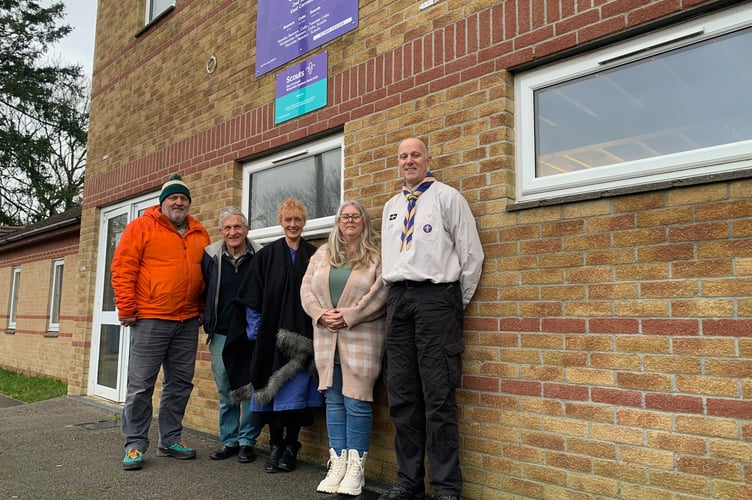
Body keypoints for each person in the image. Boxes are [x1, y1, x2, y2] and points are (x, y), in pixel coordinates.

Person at [379, 138, 484, 500]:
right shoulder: (392, 206)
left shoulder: (447, 198)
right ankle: (408, 482)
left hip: (436, 299)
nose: (409, 161)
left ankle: (445, 488)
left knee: (438, 396)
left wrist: (453, 304)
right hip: (398, 301)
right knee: (403, 395)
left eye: (415, 155)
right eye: (403, 156)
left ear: (428, 159)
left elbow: (471, 257)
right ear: (398, 162)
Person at [111, 173, 211, 471]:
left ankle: (170, 440)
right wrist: (126, 307)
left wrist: (202, 308)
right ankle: (134, 445)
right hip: (151, 317)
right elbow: (122, 267)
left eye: (183, 198)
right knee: (141, 385)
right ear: (163, 202)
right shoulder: (141, 227)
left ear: (188, 203)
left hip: (187, 320)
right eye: (173, 198)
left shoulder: (199, 233)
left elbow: (206, 275)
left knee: (179, 384)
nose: (178, 202)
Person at [224, 198, 323, 474]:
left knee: (296, 396)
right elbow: (251, 297)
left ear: (304, 223)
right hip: (269, 342)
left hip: (303, 343)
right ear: (281, 222)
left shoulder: (314, 256)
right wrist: (257, 331)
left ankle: (291, 446)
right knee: (272, 396)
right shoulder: (266, 257)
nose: (293, 225)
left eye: (298, 220)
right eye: (288, 220)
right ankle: (276, 446)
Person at [301, 200, 388, 496]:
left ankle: (356, 469)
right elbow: (306, 289)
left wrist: (350, 315)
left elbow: (381, 292)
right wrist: (320, 314)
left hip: (362, 337)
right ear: (338, 222)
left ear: (364, 221)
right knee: (334, 401)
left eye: (356, 216)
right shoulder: (323, 253)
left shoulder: (377, 254)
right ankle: (337, 463)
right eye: (344, 216)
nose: (350, 221)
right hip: (327, 337)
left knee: (357, 401)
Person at [201, 208, 263, 463]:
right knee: (226, 389)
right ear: (221, 232)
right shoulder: (210, 255)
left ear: (246, 230)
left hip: (250, 333)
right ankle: (229, 441)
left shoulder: (260, 254)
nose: (233, 232)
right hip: (221, 332)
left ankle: (248, 441)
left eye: (237, 227)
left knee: (250, 388)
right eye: (227, 228)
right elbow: (204, 287)